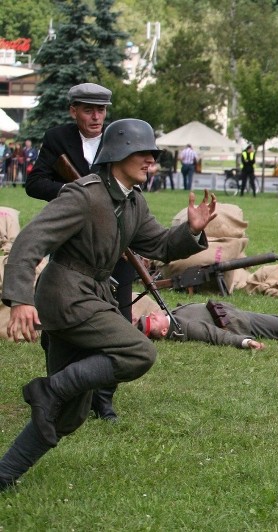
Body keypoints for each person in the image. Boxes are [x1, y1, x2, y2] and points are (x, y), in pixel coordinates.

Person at [0, 118, 217, 493]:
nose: (151, 162)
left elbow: (161, 246)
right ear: (118, 154)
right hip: (66, 296)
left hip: (89, 295)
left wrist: (192, 230)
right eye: (144, 155)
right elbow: (30, 242)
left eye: (152, 155)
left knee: (69, 414)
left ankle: (4, 474)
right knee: (138, 352)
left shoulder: (133, 202)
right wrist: (19, 299)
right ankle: (47, 390)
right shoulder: (83, 195)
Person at [25, 83, 130, 421]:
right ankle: (59, 388)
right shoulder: (58, 138)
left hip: (114, 241)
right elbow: (35, 182)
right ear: (74, 111)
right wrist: (74, 192)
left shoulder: (119, 138)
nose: (96, 116)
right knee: (59, 324)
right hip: (72, 245)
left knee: (120, 321)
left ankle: (103, 399)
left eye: (101, 110)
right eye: (88, 109)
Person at [136, 301, 278, 347]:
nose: (152, 316)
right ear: (164, 331)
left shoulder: (169, 315)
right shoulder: (182, 327)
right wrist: (245, 341)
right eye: (151, 322)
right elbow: (216, 336)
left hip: (235, 313)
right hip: (242, 323)